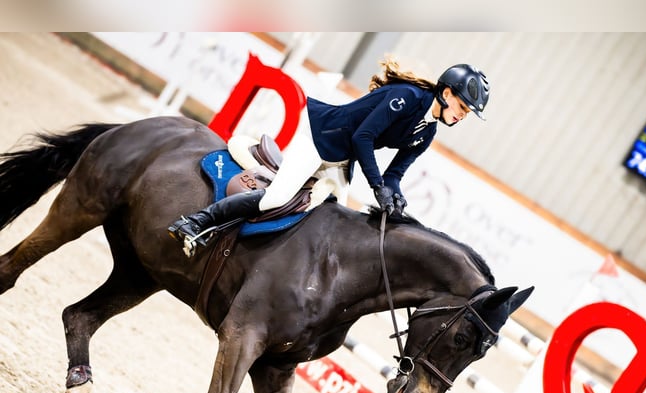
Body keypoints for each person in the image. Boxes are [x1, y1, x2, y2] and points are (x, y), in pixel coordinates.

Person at [168, 57, 490, 254]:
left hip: (344, 155)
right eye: (463, 107)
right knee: (276, 198)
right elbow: (363, 136)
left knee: (337, 222)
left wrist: (394, 196)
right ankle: (197, 221)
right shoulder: (407, 98)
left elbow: (394, 174)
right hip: (319, 135)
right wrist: (377, 185)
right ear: (446, 94)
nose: (462, 116)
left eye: (466, 112)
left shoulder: (427, 132)